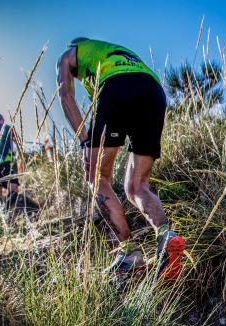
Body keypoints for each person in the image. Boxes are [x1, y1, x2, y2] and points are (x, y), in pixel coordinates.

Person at [56, 37, 185, 278]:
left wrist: (85, 141)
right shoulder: (112, 52)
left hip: (116, 87)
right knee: (137, 186)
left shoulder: (71, 53)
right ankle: (166, 237)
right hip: (153, 92)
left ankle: (129, 253)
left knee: (96, 176)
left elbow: (65, 95)